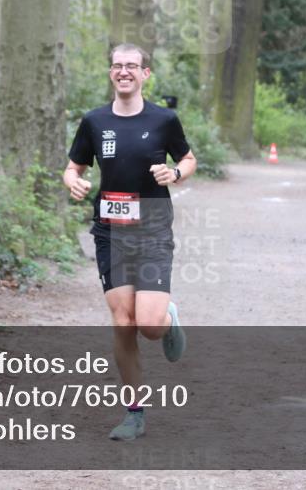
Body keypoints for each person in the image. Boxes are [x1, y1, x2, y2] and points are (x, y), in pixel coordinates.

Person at [63, 43, 197, 441]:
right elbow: (73, 167)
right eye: (118, 66)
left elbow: (189, 159)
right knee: (123, 322)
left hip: (153, 227)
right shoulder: (94, 122)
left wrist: (175, 174)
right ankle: (133, 414)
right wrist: (74, 182)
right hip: (111, 231)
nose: (124, 72)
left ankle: (168, 318)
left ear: (145, 74)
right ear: (111, 73)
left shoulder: (163, 119)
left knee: (149, 327)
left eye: (132, 67)